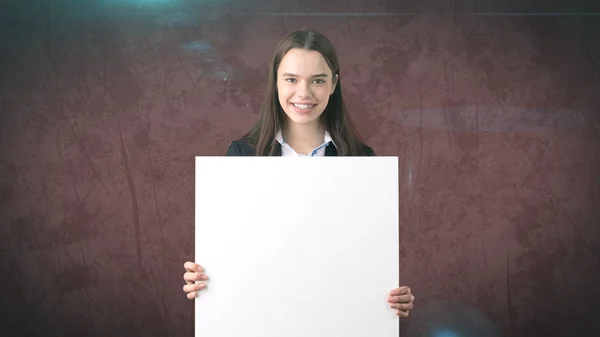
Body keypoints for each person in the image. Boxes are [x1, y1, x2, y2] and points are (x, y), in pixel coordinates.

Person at [182, 30, 415, 317]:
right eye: (291, 79)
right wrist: (206, 277)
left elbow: (365, 258)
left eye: (317, 80)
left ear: (334, 84)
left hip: (336, 320)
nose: (304, 93)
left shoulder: (361, 161)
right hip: (262, 320)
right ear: (276, 82)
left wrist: (390, 296)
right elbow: (233, 253)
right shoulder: (243, 156)